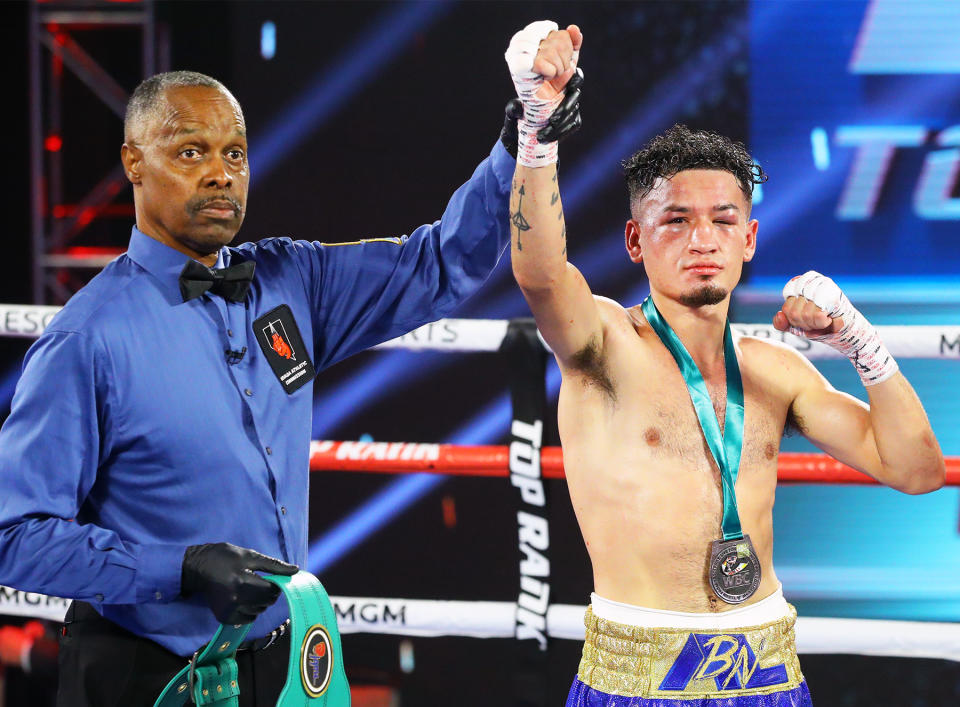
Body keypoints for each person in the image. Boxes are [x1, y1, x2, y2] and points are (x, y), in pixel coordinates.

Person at [0, 22, 583, 705]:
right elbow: (15, 535)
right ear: (133, 161)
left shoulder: (288, 281)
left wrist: (519, 141)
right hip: (144, 674)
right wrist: (179, 569)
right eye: (190, 151)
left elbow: (439, 264)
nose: (220, 173)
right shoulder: (88, 338)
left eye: (234, 153)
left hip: (276, 668)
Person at [505, 60, 946, 704]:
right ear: (635, 238)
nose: (702, 239)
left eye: (723, 219)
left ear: (750, 238)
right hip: (635, 676)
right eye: (676, 220)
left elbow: (916, 470)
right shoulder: (603, 345)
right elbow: (542, 277)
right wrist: (537, 136)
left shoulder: (776, 371)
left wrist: (860, 342)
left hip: (768, 671)